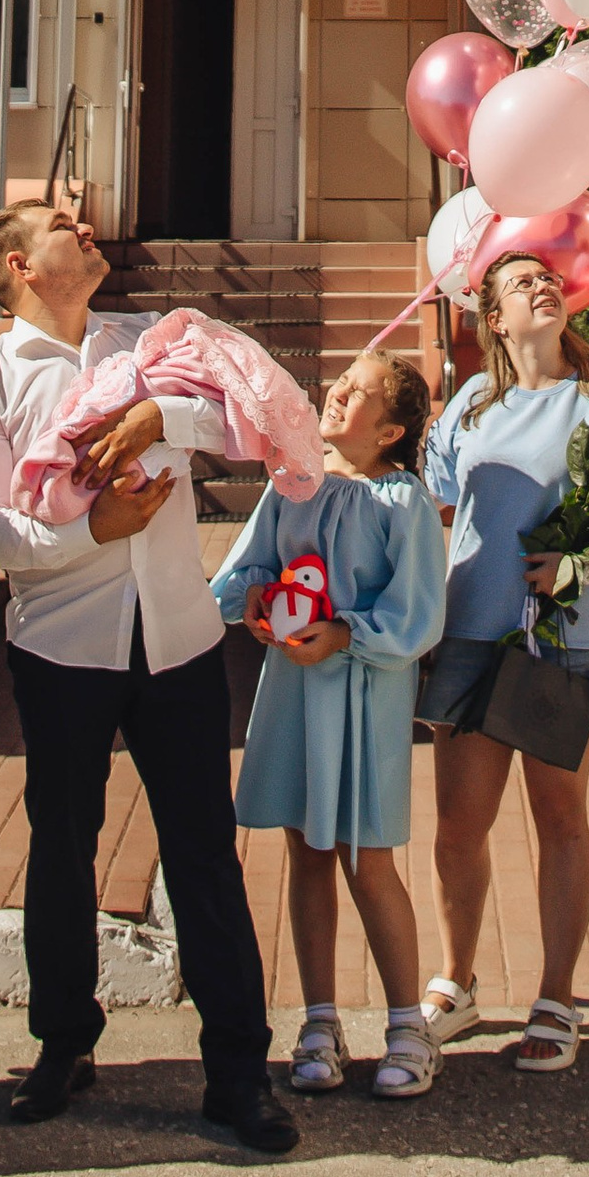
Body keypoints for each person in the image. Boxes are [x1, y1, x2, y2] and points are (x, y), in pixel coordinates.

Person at [0, 199, 298, 1155]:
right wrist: (82, 533)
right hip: (61, 646)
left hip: (179, 636)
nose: (88, 226)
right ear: (18, 265)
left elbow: (241, 417)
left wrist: (158, 414)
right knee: (62, 847)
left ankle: (237, 1073)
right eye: (64, 223)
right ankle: (62, 1044)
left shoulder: (150, 342)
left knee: (204, 855)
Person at [417, 250, 589, 1077]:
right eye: (523, 282)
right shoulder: (466, 411)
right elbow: (434, 511)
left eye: (550, 277)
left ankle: (556, 995)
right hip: (475, 633)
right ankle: (456, 978)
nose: (543, 285)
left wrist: (578, 565)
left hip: (569, 637)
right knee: (458, 824)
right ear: (496, 317)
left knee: (560, 817)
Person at [210, 348, 450, 1101]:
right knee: (305, 851)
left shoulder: (402, 502)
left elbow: (418, 613)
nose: (338, 392)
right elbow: (247, 569)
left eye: (361, 391)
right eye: (340, 382)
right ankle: (319, 1022)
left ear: (390, 431)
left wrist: (345, 634)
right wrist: (251, 600)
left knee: (367, 860)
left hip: (363, 695)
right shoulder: (292, 482)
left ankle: (408, 1025)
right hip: (292, 692)